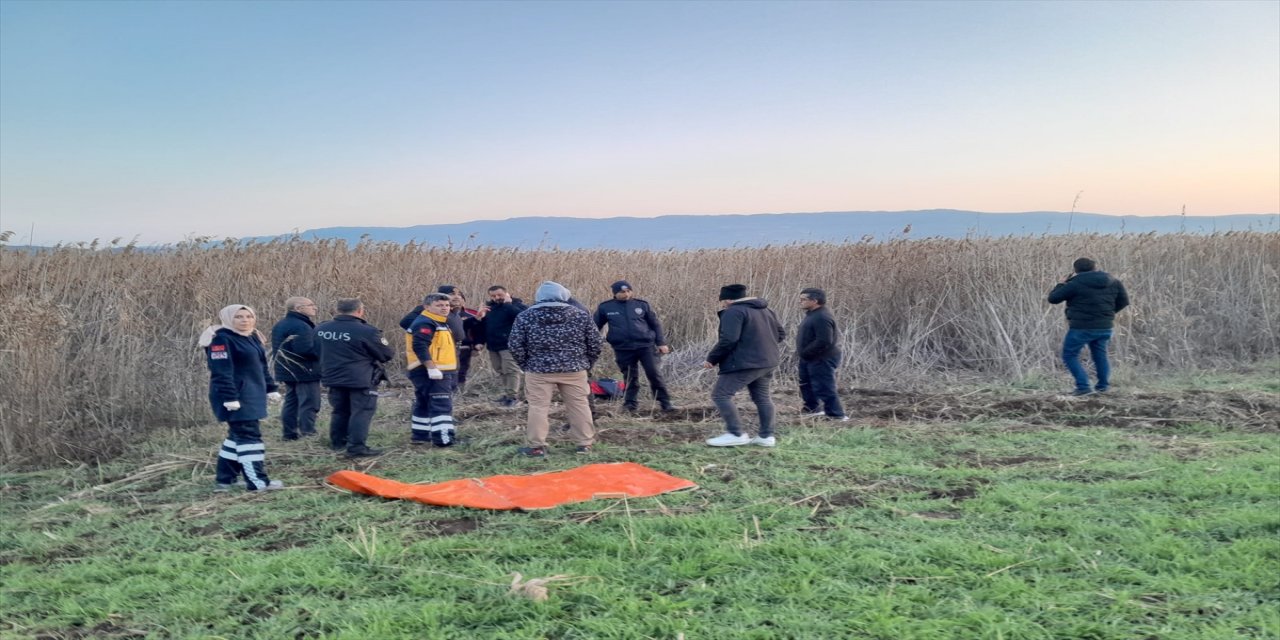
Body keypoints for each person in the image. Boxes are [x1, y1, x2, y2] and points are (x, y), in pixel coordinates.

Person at [508, 281, 602, 457]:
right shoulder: (580, 315)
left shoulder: (525, 316)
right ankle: (584, 444)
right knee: (579, 406)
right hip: (574, 369)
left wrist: (526, 364)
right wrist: (586, 363)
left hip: (538, 370)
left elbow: (515, 344)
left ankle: (537, 446)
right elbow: (595, 343)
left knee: (538, 407)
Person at [199, 304, 283, 492]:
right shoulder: (221, 339)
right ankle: (258, 482)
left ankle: (225, 480)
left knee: (236, 436)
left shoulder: (252, 337)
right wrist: (230, 397)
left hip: (253, 394)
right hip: (235, 396)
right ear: (229, 319)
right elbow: (221, 371)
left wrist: (271, 388)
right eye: (239, 317)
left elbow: (261, 366)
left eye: (248, 316)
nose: (245, 320)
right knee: (249, 437)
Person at [703, 284, 786, 448]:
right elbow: (781, 334)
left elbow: (729, 340)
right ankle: (766, 436)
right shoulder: (766, 310)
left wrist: (712, 359)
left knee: (721, 395)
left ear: (728, 299)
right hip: (768, 361)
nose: (723, 304)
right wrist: (761, 346)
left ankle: (735, 433)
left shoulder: (733, 312)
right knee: (762, 398)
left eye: (722, 300)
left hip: (746, 363)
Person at [314, 298, 395, 457]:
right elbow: (387, 354)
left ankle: (338, 443)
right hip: (360, 378)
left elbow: (314, 349)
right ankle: (356, 447)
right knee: (362, 412)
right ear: (360, 310)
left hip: (332, 376)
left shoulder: (321, 328)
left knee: (339, 411)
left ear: (337, 310)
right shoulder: (367, 331)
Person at [1048, 258, 1130, 395]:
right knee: (1100, 356)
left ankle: (1083, 386)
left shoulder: (1074, 283)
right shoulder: (1113, 281)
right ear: (1095, 268)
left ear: (1075, 270)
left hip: (1081, 327)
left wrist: (1061, 283)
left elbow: (1053, 299)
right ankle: (1103, 387)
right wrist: (1107, 314)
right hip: (1105, 326)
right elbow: (1124, 301)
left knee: (1069, 355)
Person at [594, 280, 675, 412]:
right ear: (615, 293)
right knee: (630, 376)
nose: (626, 294)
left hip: (645, 346)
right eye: (622, 292)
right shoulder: (606, 307)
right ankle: (630, 404)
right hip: (623, 348)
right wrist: (592, 342)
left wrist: (661, 343)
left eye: (628, 291)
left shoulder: (642, 305)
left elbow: (655, 324)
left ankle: (665, 403)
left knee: (654, 373)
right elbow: (594, 326)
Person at [405, 293, 458, 446]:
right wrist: (431, 368)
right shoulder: (426, 322)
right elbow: (420, 345)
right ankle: (444, 440)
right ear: (427, 307)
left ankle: (420, 436)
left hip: (434, 370)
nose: (444, 308)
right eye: (439, 305)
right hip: (432, 371)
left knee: (423, 403)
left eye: (447, 305)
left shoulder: (438, 321)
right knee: (441, 404)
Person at [270, 296, 322, 440]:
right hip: (304, 370)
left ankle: (289, 434)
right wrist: (324, 351)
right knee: (309, 403)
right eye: (311, 305)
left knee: (291, 402)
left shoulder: (281, 323)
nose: (315, 307)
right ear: (298, 308)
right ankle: (308, 434)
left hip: (287, 370)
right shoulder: (301, 326)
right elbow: (304, 350)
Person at [796, 288, 847, 421]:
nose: (800, 301)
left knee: (824, 386)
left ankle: (837, 415)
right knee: (806, 384)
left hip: (822, 358)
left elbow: (824, 340)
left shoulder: (822, 317)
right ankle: (812, 409)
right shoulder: (812, 314)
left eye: (803, 299)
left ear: (815, 301)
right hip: (809, 357)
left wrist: (806, 352)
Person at [476, 285, 527, 407]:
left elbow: (522, 318)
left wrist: (508, 305)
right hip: (493, 345)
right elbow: (483, 327)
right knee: (500, 370)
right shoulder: (489, 308)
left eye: (500, 295)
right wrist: (480, 341)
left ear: (506, 294)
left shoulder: (516, 305)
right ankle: (506, 394)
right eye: (493, 296)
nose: (496, 298)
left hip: (509, 345)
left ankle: (512, 397)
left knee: (511, 370)